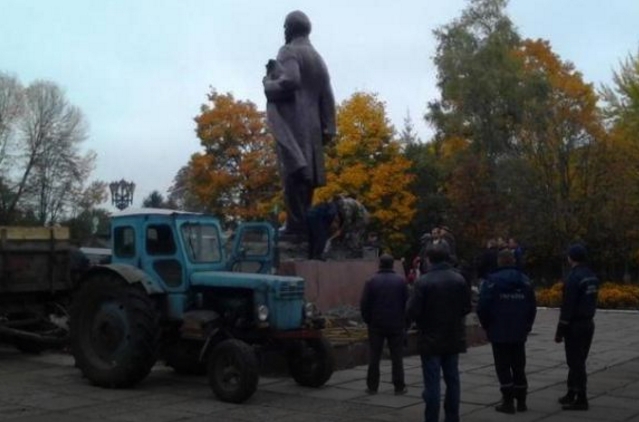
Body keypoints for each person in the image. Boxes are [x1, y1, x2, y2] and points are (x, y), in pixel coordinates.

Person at [263, 10, 336, 239]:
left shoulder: (288, 51)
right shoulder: (318, 58)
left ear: (288, 29)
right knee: (306, 178)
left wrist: (268, 84)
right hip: (313, 126)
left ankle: (296, 227)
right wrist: (329, 126)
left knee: (293, 173)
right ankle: (303, 223)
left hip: (294, 122)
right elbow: (328, 95)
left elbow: (291, 81)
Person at [407, 242, 472, 422]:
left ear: (428, 259)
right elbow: (467, 307)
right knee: (453, 380)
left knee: (432, 383)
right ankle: (452, 417)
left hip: (430, 338)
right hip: (453, 336)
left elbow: (412, 311)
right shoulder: (459, 280)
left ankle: (431, 418)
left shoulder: (423, 282)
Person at [477, 249, 537, 413]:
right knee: (519, 366)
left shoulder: (492, 281)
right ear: (513, 261)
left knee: (503, 367)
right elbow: (532, 305)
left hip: (499, 330)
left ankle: (508, 402)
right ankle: (522, 401)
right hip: (519, 331)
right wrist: (527, 325)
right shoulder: (525, 280)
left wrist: (486, 325)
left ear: (499, 262)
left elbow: (483, 306)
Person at [555, 243, 599, 411]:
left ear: (570, 258)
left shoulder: (573, 278)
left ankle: (581, 397)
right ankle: (571, 392)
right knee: (578, 360)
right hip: (588, 322)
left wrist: (560, 330)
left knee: (576, 362)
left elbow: (568, 306)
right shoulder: (591, 276)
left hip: (576, 324)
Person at [360, 254, 408, 395]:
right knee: (397, 357)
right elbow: (407, 302)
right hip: (396, 324)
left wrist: (368, 320)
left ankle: (372, 386)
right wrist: (405, 322)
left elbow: (364, 304)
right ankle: (399, 386)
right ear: (392, 264)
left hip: (376, 324)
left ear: (380, 264)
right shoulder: (401, 281)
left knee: (374, 356)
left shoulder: (371, 281)